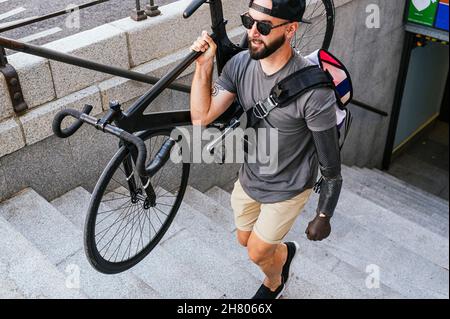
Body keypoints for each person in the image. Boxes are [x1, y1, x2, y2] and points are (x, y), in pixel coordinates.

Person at [190, 0, 343, 299]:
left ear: (290, 30)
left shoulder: (315, 93)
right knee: (244, 240)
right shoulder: (240, 64)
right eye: (249, 22)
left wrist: (324, 215)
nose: (252, 34)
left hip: (289, 187)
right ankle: (285, 253)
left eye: (263, 27)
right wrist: (203, 65)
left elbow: (332, 167)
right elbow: (201, 117)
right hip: (250, 176)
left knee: (258, 253)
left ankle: (275, 282)